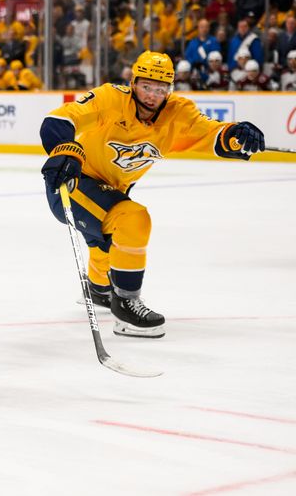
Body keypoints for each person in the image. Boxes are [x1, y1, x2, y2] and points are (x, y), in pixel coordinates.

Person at [39, 51, 264, 339]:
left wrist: (237, 133)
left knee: (107, 242)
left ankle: (98, 289)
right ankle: (126, 307)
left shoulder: (178, 112)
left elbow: (212, 134)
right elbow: (59, 118)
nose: (152, 95)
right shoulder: (110, 98)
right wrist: (65, 149)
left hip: (110, 190)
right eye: (146, 86)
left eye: (161, 89)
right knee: (133, 220)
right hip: (70, 182)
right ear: (133, 83)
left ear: (169, 90)